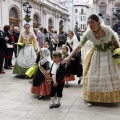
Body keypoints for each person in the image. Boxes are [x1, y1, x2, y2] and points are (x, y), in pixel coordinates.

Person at [63, 14, 120, 107]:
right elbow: (79, 46)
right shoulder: (88, 33)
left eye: (92, 22)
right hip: (97, 55)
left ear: (98, 22)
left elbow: (116, 44)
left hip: (109, 55)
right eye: (88, 22)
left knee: (109, 76)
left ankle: (112, 97)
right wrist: (69, 57)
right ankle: (91, 98)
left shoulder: (107, 30)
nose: (90, 24)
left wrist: (118, 54)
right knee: (93, 76)